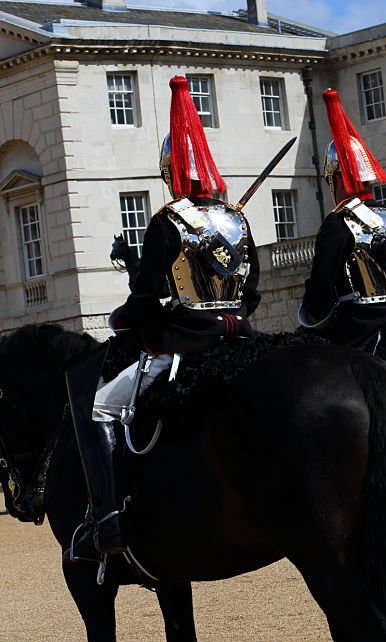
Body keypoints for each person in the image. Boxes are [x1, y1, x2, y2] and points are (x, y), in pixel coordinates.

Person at [65, 75, 261, 561]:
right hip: (239, 337)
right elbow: (251, 294)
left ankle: (107, 525)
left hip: (183, 343)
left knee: (102, 409)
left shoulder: (168, 221)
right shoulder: (236, 220)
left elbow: (147, 297)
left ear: (169, 174)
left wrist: (123, 318)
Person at [298, 89, 386, 350]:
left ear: (339, 179)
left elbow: (320, 293)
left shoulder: (338, 223)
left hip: (359, 329)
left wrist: (311, 314)